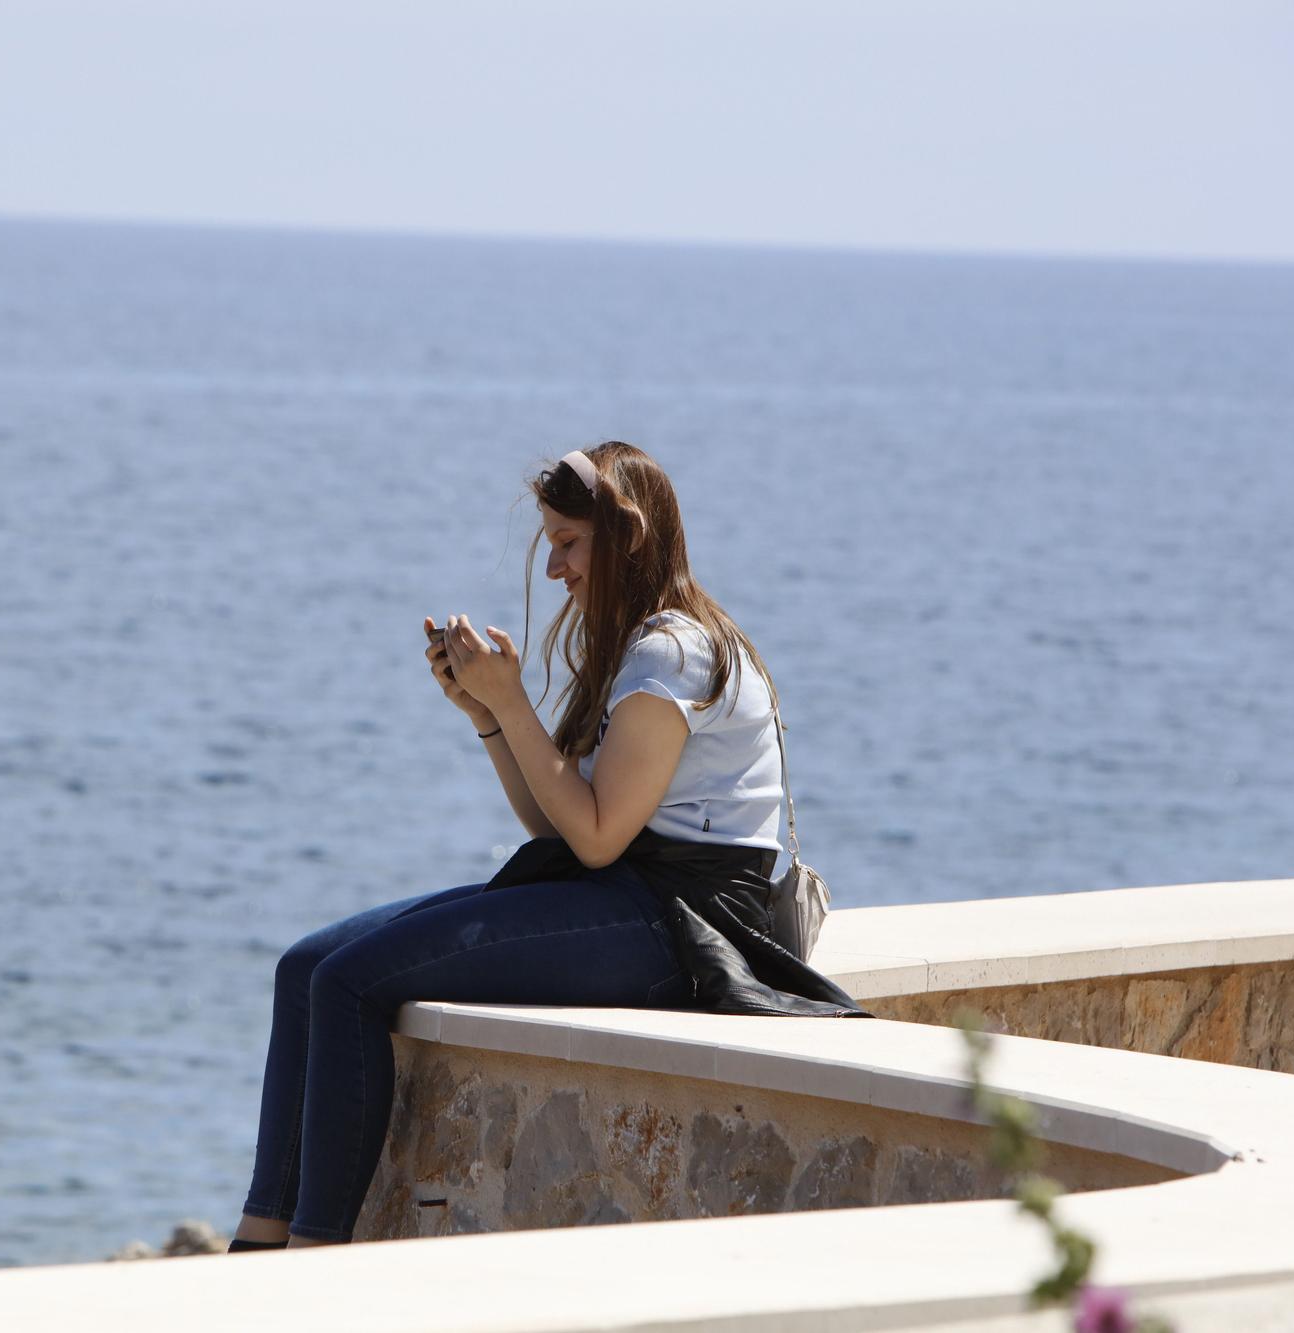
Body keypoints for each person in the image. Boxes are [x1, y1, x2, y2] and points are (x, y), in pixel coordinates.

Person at [226, 441, 861, 1254]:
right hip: (623, 897)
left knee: (352, 981)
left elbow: (594, 841)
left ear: (624, 536)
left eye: (569, 541)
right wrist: (487, 715)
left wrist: (513, 698)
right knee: (304, 965)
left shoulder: (674, 650)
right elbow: (558, 823)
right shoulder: (636, 643)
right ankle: (255, 1240)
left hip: (681, 929)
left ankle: (313, 1259)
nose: (556, 567)